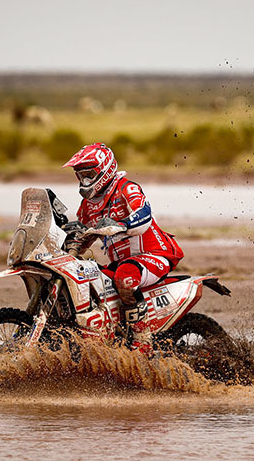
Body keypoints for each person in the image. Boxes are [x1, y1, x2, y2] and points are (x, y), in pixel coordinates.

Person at [63, 143, 184, 353]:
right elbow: (82, 239)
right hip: (121, 262)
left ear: (105, 170)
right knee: (86, 277)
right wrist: (68, 244)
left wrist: (123, 224)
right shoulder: (88, 205)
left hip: (154, 254)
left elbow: (144, 216)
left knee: (125, 277)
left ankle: (142, 338)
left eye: (89, 175)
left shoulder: (126, 188)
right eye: (81, 176)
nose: (85, 181)